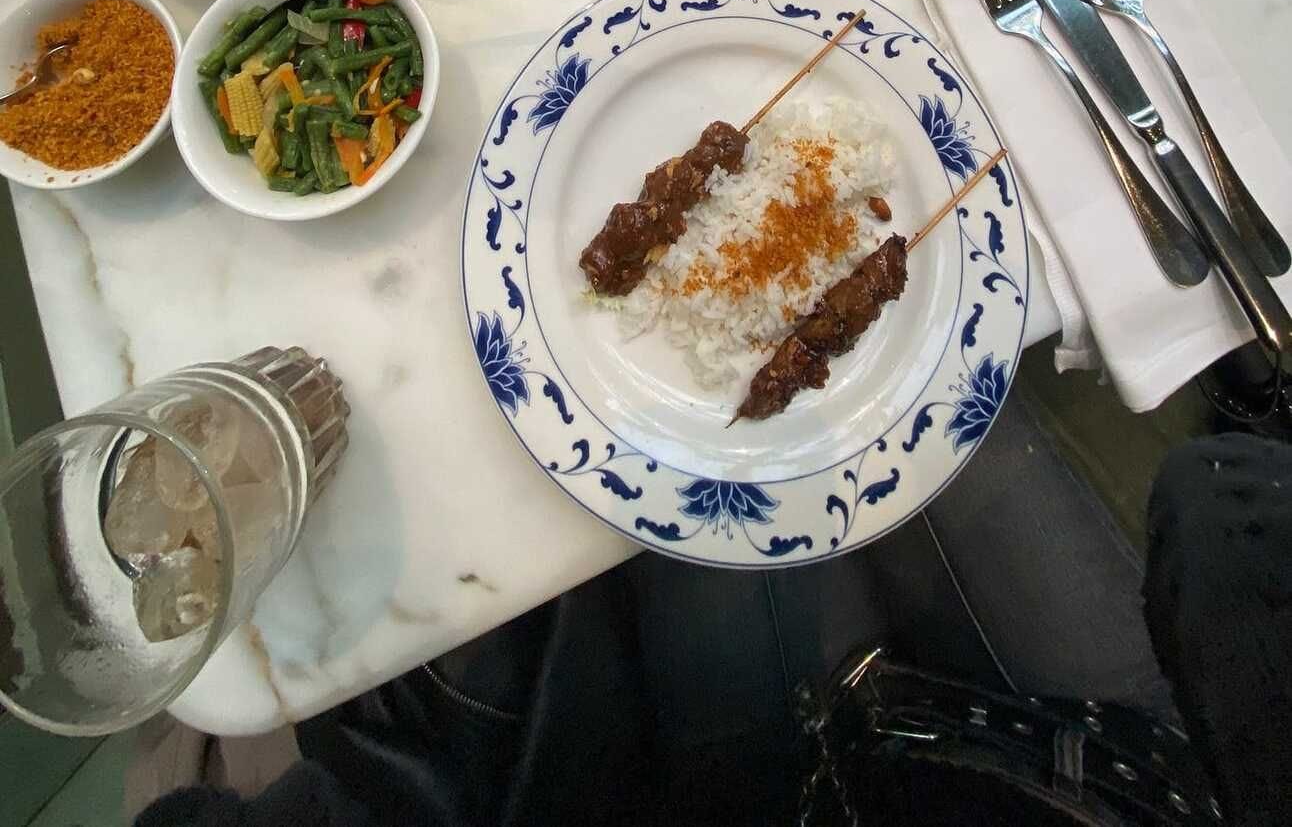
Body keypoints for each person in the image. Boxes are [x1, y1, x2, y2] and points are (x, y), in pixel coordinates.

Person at [130, 401, 1292, 827]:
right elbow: (1214, 500)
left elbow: (1219, 498)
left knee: (694, 465)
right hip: (1151, 771)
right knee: (914, 407)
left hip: (766, 792)